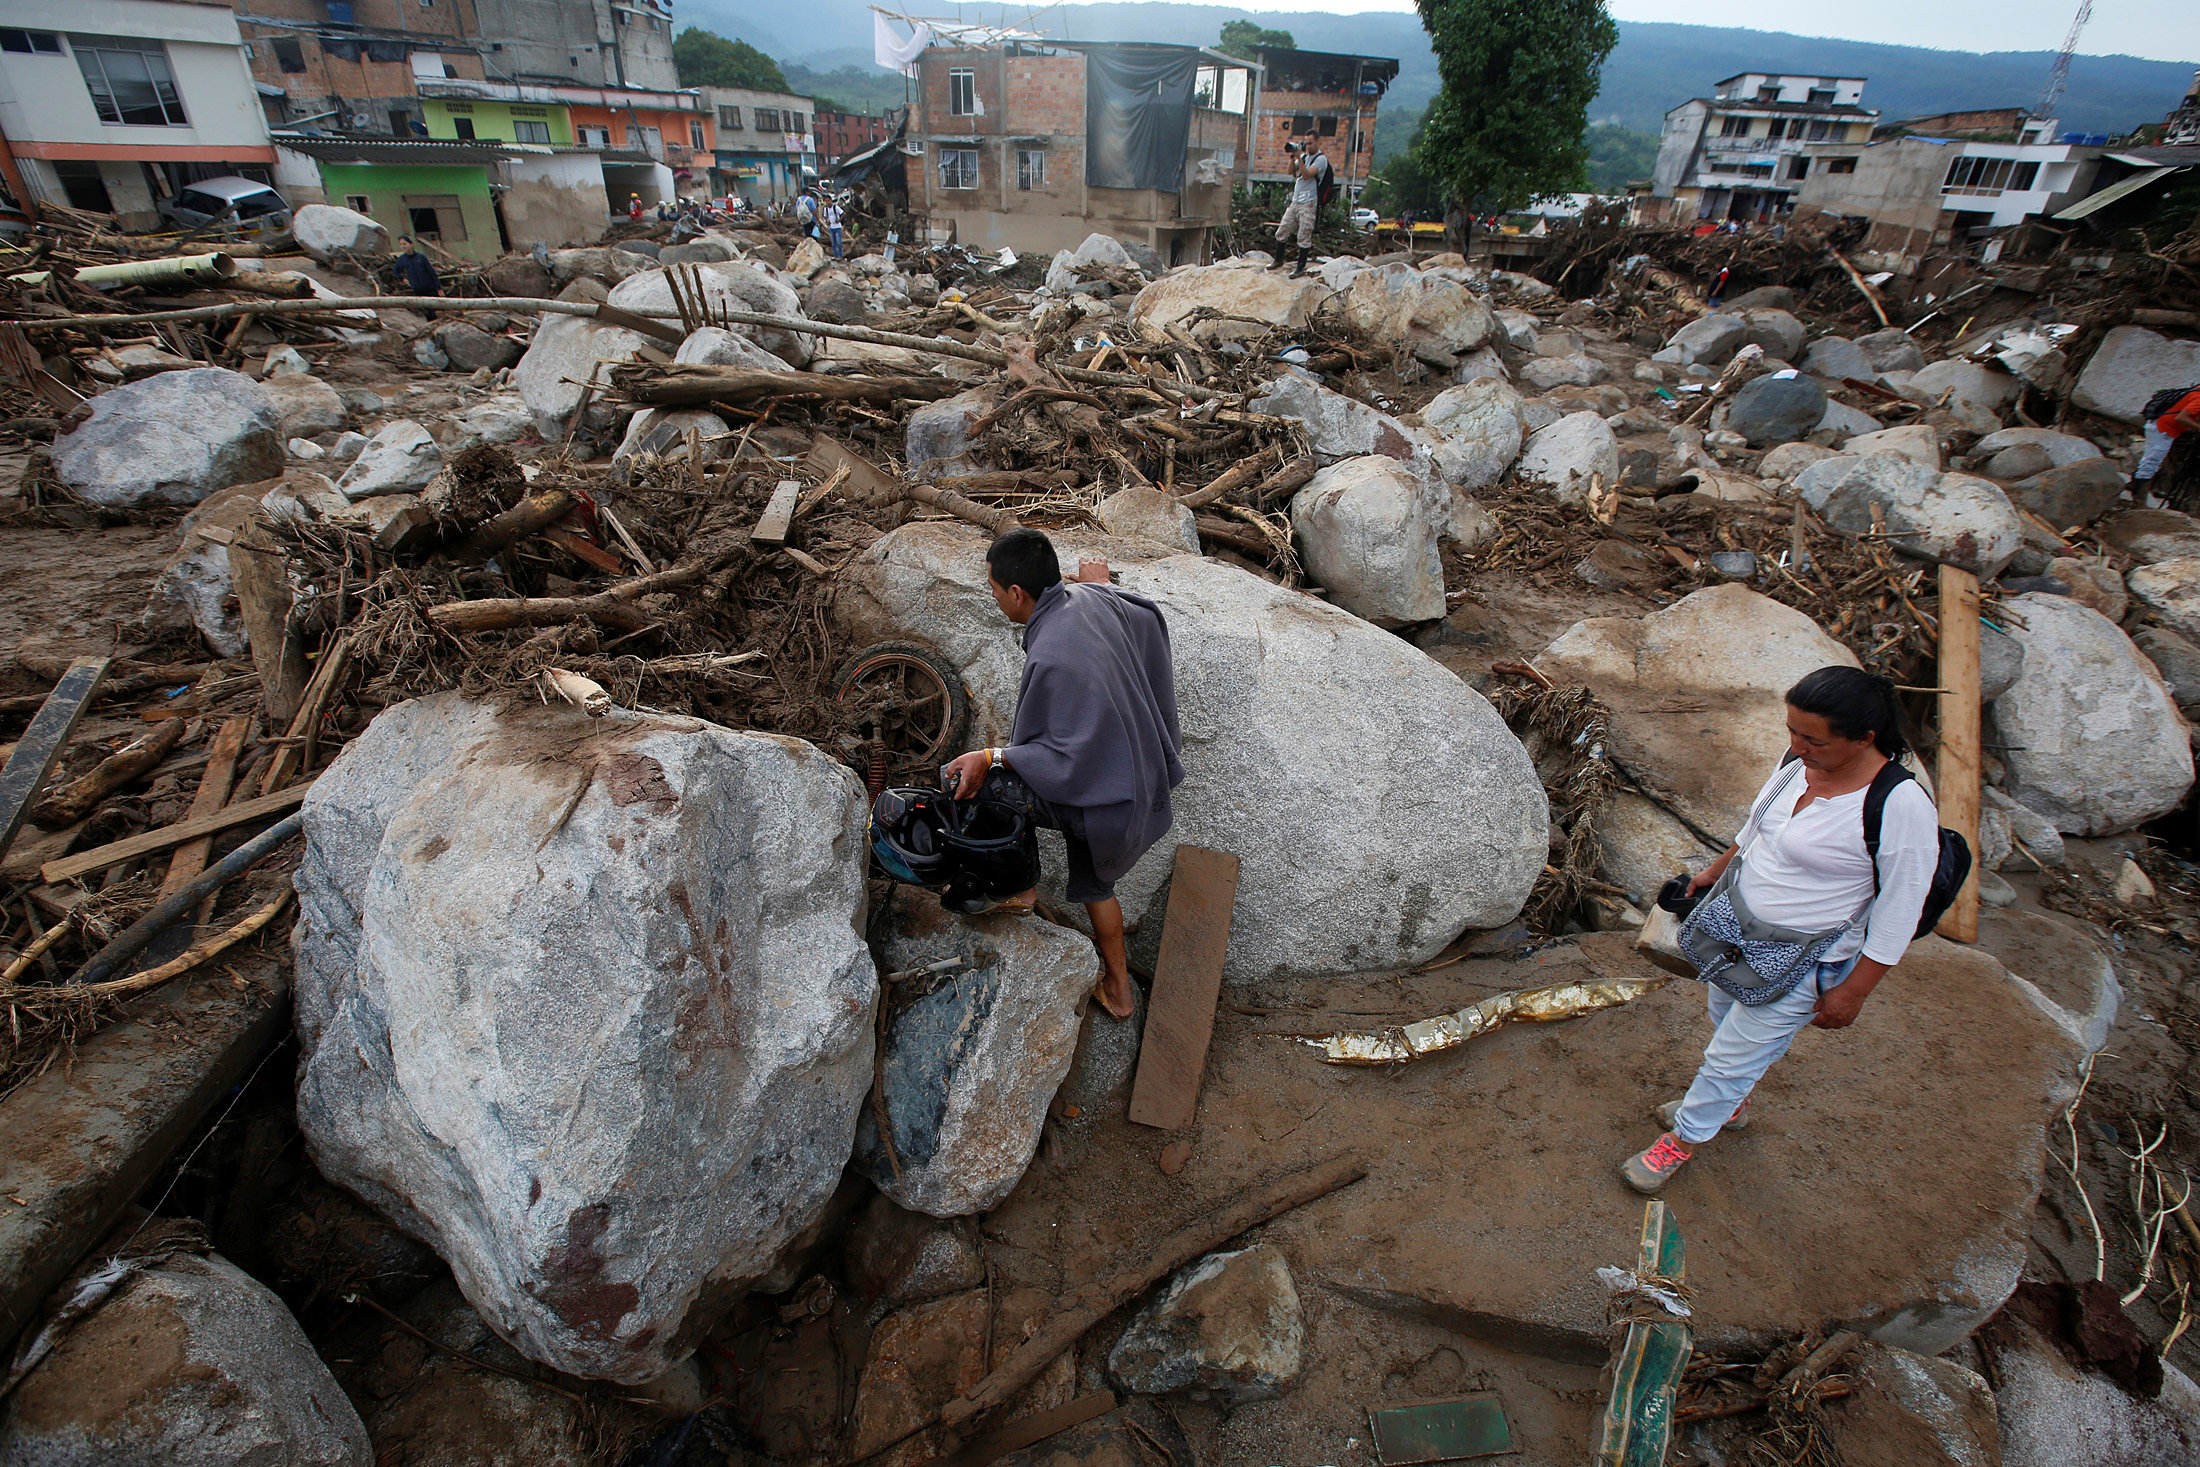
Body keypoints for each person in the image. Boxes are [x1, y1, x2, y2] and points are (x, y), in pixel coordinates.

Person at [1623, 667, 1940, 1194]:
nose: (1796, 746)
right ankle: (1730, 1102)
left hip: (1804, 958)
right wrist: (1711, 874)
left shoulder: (1899, 805)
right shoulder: (1799, 763)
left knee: (1730, 1055)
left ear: (1864, 738)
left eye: (1813, 738)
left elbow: (1900, 908)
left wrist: (1854, 992)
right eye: (1792, 730)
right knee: (1723, 1015)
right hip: (1737, 929)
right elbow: (1758, 830)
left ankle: (1683, 1140)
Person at [941, 530, 1184, 1020]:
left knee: (994, 782)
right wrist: (1106, 585)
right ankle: (1119, 991)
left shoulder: (1053, 652)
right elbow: (1146, 615)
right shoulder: (1089, 598)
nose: (992, 597)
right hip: (1130, 782)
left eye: (993, 589)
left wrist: (991, 756)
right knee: (1096, 886)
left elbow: (1058, 762)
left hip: (1096, 791)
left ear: (1017, 593)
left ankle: (1019, 888)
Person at [2132, 385, 2200, 500]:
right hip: (2162, 429)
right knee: (2152, 462)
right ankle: (2138, 497)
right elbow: (2181, 418)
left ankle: (2136, 485)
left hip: (2161, 427)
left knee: (2151, 461)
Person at [1273, 140, 1325, 279]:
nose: (1308, 146)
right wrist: (1293, 156)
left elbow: (1307, 174)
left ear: (1316, 142)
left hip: (1308, 202)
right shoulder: (1303, 157)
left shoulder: (1320, 159)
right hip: (1296, 201)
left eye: (1311, 143)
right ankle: (1278, 260)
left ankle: (1300, 268)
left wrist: (1300, 158)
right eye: (1306, 143)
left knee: (1304, 235)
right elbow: (1291, 171)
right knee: (1283, 229)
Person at [390, 236, 440, 318]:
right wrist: (402, 279)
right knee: (425, 310)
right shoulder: (402, 259)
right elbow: (396, 270)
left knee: (434, 309)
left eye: (405, 244)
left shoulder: (421, 257)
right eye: (401, 244)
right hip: (417, 289)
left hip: (429, 287)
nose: (403, 246)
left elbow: (432, 272)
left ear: (411, 244)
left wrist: (439, 288)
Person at [822, 193, 844, 259]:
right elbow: (825, 216)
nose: (827, 202)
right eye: (826, 201)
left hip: (837, 227)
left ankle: (840, 255)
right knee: (833, 243)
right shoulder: (826, 209)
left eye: (828, 201)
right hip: (831, 227)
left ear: (831, 200)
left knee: (839, 242)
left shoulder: (836, 207)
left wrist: (839, 220)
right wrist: (827, 221)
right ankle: (835, 255)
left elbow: (843, 214)